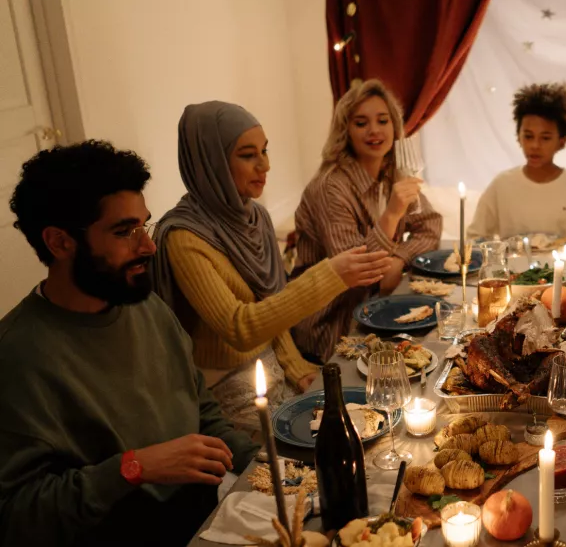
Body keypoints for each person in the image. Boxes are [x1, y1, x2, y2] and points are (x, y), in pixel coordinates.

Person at [0, 141, 258, 546]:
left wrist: (261, 467)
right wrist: (133, 467)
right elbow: (18, 516)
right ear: (59, 242)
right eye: (124, 231)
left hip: (205, 522)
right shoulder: (17, 356)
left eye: (145, 225)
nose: (148, 246)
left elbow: (202, 412)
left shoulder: (146, 308)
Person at [151, 102, 392, 431]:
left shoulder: (254, 217)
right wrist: (331, 275)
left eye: (264, 151)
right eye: (248, 155)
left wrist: (297, 368)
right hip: (223, 388)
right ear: (211, 161)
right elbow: (241, 328)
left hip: (275, 365)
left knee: (371, 415)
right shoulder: (184, 237)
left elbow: (273, 306)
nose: (265, 165)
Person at [292, 79, 443, 362]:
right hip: (333, 327)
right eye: (361, 123)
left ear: (394, 126)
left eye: (382, 120)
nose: (374, 130)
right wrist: (392, 214)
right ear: (345, 131)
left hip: (378, 308)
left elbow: (430, 223)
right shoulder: (330, 187)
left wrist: (399, 258)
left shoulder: (392, 172)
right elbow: (357, 272)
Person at [467, 82, 566, 241]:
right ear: (518, 137)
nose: (535, 146)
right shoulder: (502, 185)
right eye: (528, 136)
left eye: (545, 138)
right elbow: (475, 238)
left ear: (561, 141)